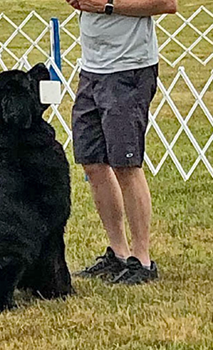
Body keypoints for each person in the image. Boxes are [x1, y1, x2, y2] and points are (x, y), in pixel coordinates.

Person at [67, 0, 177, 284]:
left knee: (126, 165)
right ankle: (118, 252)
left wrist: (107, 6)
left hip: (129, 68)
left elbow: (167, 4)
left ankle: (142, 259)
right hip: (91, 67)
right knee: (92, 163)